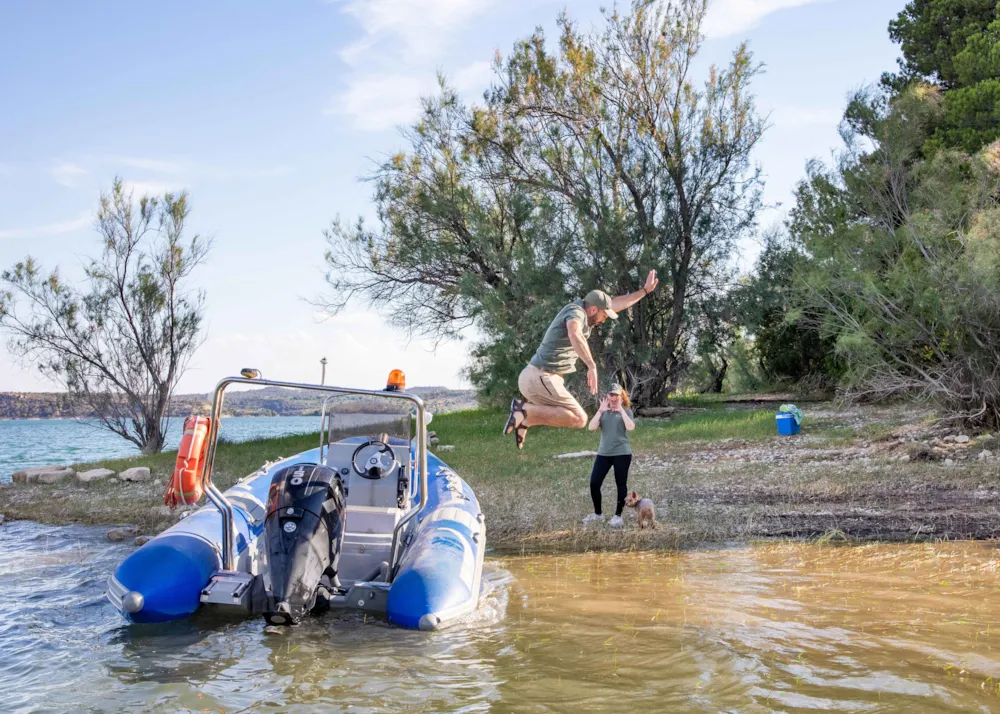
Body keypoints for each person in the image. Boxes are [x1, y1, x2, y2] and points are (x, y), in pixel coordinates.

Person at [503, 270, 658, 449]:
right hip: (540, 377)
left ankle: (525, 419)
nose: (604, 320)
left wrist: (645, 291)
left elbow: (617, 303)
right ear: (593, 310)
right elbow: (574, 332)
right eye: (604, 316)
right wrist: (591, 366)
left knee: (574, 417)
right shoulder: (575, 312)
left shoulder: (589, 310)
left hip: (538, 378)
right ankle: (523, 411)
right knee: (579, 418)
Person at [582, 384, 635, 527]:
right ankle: (598, 514)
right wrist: (600, 411)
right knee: (594, 483)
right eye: (611, 395)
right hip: (604, 453)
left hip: (622, 453)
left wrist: (621, 410)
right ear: (607, 396)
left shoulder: (626, 411)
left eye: (616, 395)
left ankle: (618, 516)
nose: (613, 398)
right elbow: (591, 427)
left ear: (620, 396)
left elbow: (630, 427)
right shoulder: (603, 412)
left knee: (621, 484)